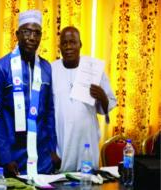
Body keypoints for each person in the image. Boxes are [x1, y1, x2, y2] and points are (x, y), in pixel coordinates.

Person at [0, 10, 61, 177]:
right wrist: (5, 157)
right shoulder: (0, 69)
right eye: (27, 32)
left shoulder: (46, 68)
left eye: (37, 33)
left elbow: (49, 112)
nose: (32, 37)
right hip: (12, 156)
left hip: (41, 156)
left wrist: (52, 149)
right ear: (17, 34)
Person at [51, 26, 117, 172]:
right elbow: (45, 113)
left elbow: (109, 104)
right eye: (64, 43)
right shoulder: (51, 69)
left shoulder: (93, 68)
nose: (68, 47)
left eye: (73, 42)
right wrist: (50, 151)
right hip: (61, 145)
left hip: (87, 143)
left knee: (87, 184)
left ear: (80, 44)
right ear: (59, 46)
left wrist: (102, 97)